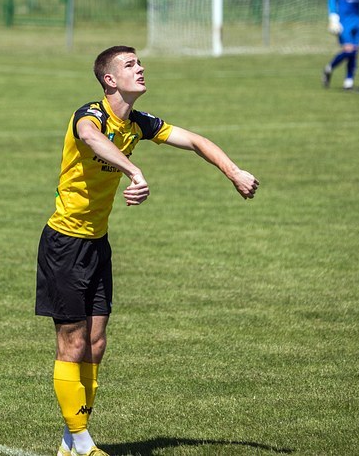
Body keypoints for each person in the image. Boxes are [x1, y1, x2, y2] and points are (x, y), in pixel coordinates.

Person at [36, 46, 259, 456]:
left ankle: (71, 442)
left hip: (97, 243)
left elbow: (194, 140)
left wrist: (234, 172)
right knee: (73, 342)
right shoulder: (90, 115)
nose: (140, 68)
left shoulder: (138, 123)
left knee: (96, 342)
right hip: (64, 243)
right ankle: (82, 443)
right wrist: (134, 170)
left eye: (139, 62)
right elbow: (91, 138)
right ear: (109, 80)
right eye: (130, 65)